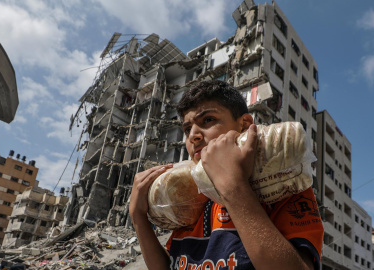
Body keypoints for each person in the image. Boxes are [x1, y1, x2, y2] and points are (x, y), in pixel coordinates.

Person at [129, 80, 324, 270]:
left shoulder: (282, 182)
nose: (193, 136)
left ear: (245, 124)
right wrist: (138, 218)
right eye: (187, 129)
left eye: (208, 120)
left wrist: (233, 186)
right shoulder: (186, 194)